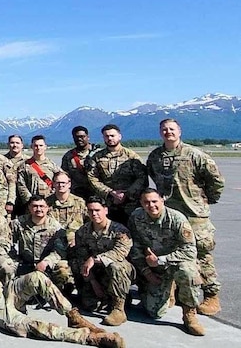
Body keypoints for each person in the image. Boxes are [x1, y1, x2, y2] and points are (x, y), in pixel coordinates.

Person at [0, 246, 124, 348]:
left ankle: (73, 316)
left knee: (37, 277)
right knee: (37, 326)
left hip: (3, 295)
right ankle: (92, 339)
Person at [146, 118, 224, 316]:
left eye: (171, 129)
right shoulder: (155, 156)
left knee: (202, 254)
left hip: (194, 215)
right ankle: (172, 293)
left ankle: (211, 295)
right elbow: (154, 178)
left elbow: (216, 180)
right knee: (170, 252)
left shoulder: (195, 154)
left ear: (179, 131)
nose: (168, 132)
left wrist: (206, 200)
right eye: (164, 129)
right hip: (169, 216)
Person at [128, 188, 204, 336]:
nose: (151, 205)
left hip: (174, 264)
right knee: (154, 312)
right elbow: (135, 248)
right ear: (141, 203)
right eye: (147, 202)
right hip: (153, 267)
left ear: (162, 200)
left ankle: (189, 314)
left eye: (154, 201)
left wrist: (161, 260)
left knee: (188, 272)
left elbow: (190, 251)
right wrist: (146, 272)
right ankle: (166, 291)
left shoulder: (177, 219)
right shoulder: (136, 217)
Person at [70, 196, 134, 326]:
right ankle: (109, 296)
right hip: (96, 274)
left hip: (115, 271)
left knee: (118, 266)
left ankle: (118, 308)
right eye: (90, 210)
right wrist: (93, 282)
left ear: (106, 210)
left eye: (97, 210)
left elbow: (120, 252)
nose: (94, 214)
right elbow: (82, 258)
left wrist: (95, 259)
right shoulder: (82, 232)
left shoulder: (119, 230)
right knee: (90, 305)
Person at [87, 124, 147, 225]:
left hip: (131, 203)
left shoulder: (131, 156)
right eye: (106, 136)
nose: (110, 138)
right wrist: (110, 192)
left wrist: (126, 193)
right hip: (108, 203)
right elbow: (92, 178)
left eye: (112, 135)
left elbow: (142, 177)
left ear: (119, 136)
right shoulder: (97, 158)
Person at [10, 195, 71, 289]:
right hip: (25, 264)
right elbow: (8, 242)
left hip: (46, 265)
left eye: (42, 206)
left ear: (47, 208)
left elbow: (60, 251)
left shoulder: (56, 227)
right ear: (29, 208)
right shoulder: (18, 223)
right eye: (35, 206)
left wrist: (46, 262)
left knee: (63, 268)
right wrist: (15, 259)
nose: (38, 209)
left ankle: (57, 291)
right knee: (6, 265)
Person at [16, 135, 59, 212]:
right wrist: (29, 201)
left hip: (49, 202)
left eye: (41, 145)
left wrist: (54, 196)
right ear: (31, 147)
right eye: (35, 145)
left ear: (45, 147)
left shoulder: (52, 165)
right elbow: (21, 185)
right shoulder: (25, 165)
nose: (38, 148)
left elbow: (61, 180)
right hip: (32, 204)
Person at [46, 171, 87, 248]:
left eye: (63, 183)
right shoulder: (46, 203)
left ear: (69, 184)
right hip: (52, 242)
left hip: (76, 242)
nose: (61, 185)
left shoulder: (79, 202)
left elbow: (89, 222)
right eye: (58, 183)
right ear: (53, 184)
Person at [61, 126, 96, 200]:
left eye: (82, 136)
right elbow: (64, 176)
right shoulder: (68, 156)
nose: (79, 139)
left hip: (97, 193)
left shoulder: (97, 153)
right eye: (76, 137)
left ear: (88, 137)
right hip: (77, 195)